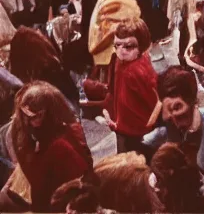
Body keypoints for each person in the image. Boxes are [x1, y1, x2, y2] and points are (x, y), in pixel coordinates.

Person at [143, 67, 204, 214]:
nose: (175, 120)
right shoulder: (162, 133)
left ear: (193, 101)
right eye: (170, 113)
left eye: (178, 109)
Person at [11, 81, 92, 212]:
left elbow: (80, 180)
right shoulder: (28, 133)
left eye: (37, 116)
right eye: (28, 117)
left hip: (62, 201)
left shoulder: (62, 145)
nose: (31, 121)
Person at [105, 17, 158, 156]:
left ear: (141, 45)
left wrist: (149, 126)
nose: (121, 51)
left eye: (128, 46)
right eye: (117, 45)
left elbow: (156, 103)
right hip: (123, 128)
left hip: (138, 135)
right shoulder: (119, 61)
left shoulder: (138, 70)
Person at [151, 142, 204, 213]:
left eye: (159, 178)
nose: (157, 184)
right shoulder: (190, 176)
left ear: (170, 171)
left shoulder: (187, 181)